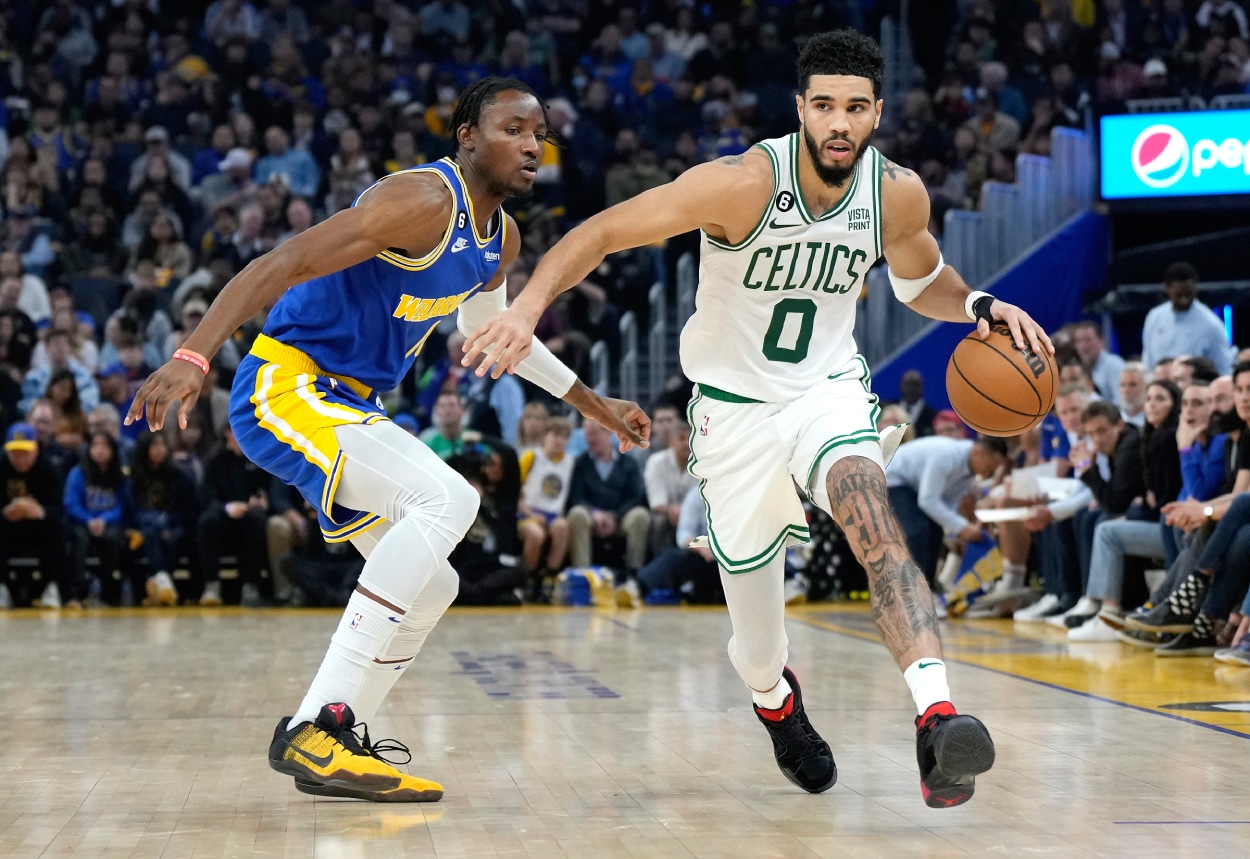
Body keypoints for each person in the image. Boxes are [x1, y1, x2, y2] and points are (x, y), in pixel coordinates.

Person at [464, 31, 1052, 808]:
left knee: (871, 516)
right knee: (757, 646)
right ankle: (776, 701)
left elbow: (921, 279)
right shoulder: (743, 182)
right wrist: (527, 310)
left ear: (876, 113)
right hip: (734, 413)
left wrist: (978, 303)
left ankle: (936, 719)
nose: (838, 123)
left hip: (826, 391)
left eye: (855, 108)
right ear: (800, 109)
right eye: (823, 106)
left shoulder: (896, 193)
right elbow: (599, 233)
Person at [126, 77, 650, 804]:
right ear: (467, 135)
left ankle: (342, 741)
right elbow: (282, 264)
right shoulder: (422, 201)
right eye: (513, 127)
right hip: (289, 384)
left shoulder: (501, 240)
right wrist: (194, 355)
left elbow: (490, 335)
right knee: (449, 499)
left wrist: (594, 405)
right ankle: (319, 722)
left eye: (541, 131)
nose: (533, 142)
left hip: (347, 404)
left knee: (437, 582)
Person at [885, 435, 1010, 587]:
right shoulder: (946, 456)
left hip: (913, 485)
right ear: (978, 452)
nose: (987, 472)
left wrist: (960, 526)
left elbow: (946, 504)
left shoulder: (969, 471)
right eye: (989, 467)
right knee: (917, 531)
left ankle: (928, 583)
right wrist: (962, 527)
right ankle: (911, 587)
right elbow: (928, 500)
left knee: (935, 531)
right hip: (892, 478)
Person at [0, 422, 67, 609]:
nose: (20, 459)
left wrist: (40, 512)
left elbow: (59, 509)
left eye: (25, 453)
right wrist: (5, 512)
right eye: (15, 453)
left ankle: (51, 586)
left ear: (36, 449)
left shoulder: (49, 469)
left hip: (39, 527)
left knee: (57, 529)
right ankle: (2, 586)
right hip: (9, 526)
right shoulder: (2, 466)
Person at [1140, 262, 1231, 376]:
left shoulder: (1211, 324)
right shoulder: (1154, 317)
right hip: (1158, 386)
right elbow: (1147, 360)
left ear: (1196, 287)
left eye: (1188, 294)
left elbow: (1224, 367)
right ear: (1167, 288)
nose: (1184, 299)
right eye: (1179, 294)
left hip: (1194, 390)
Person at [1071, 321, 1124, 405]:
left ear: (1101, 341)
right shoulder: (1078, 368)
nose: (1083, 346)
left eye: (1088, 339)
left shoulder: (1114, 365)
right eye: (1079, 341)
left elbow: (1122, 402)